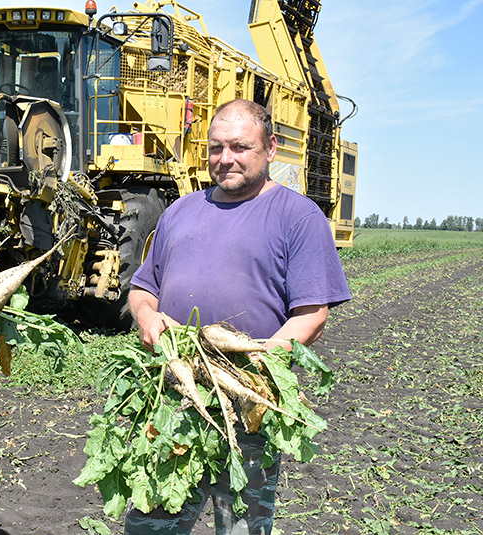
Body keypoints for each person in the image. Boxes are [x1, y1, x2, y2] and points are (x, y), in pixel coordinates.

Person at [126, 98, 351, 535]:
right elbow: (142, 288)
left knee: (242, 527)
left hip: (249, 403)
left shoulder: (298, 216)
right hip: (174, 400)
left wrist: (252, 365)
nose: (225, 158)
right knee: (151, 524)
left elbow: (311, 316)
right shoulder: (179, 212)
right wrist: (146, 316)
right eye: (215, 147)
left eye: (240, 147)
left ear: (270, 148)